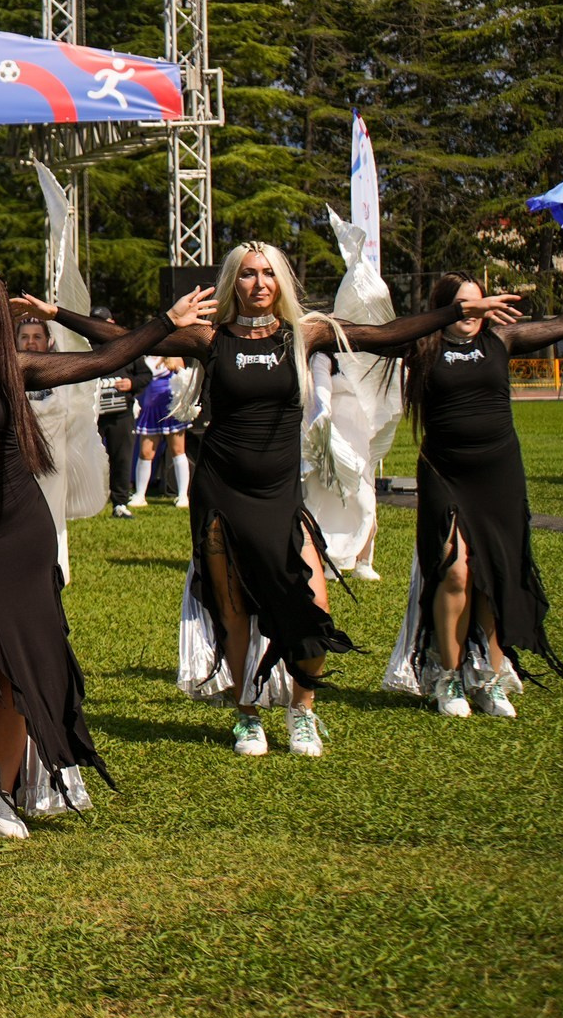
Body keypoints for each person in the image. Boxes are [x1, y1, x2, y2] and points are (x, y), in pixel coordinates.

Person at [34, 246, 506, 758]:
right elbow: (123, 344)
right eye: (248, 275)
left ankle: (302, 709)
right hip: (221, 492)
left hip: (280, 495)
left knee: (311, 603)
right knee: (234, 608)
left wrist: (459, 312)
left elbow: (388, 336)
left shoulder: (306, 334)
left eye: (268, 274)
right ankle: (246, 713)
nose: (259, 283)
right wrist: (57, 314)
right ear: (233, 282)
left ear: (281, 282)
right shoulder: (210, 338)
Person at [0, 274, 212, 840]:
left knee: (12, 664)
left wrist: (165, 325)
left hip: (19, 534)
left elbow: (104, 361)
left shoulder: (13, 371)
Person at [385, 279, 563, 716]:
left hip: (498, 472)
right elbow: (382, 336)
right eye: (462, 305)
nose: (474, 311)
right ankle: (447, 679)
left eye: (477, 302)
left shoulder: (501, 340)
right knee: (454, 571)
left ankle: (489, 678)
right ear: (444, 309)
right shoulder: (422, 347)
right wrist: (452, 316)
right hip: (445, 472)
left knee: (495, 573)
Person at [93, 308, 146, 519]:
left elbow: (145, 375)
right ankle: (86, 503)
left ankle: (120, 503)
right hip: (92, 414)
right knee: (88, 458)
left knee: (121, 458)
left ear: (112, 322)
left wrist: (131, 383)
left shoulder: (127, 345)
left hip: (121, 413)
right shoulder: (84, 346)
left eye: (102, 322)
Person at [127, 355, 190, 510]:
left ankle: (182, 496)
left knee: (178, 450)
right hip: (150, 409)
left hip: (170, 409)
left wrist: (176, 368)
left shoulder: (174, 357)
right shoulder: (142, 358)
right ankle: (140, 495)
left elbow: (186, 381)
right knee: (145, 452)